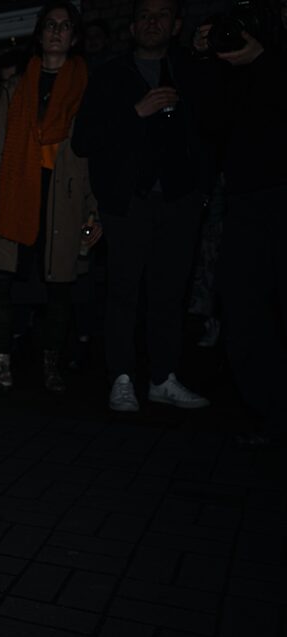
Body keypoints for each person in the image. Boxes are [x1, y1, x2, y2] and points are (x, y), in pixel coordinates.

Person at [73, 0, 213, 412]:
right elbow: (84, 140)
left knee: (169, 293)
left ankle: (162, 377)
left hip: (179, 200)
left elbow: (211, 130)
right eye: (145, 16)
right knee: (122, 293)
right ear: (132, 28)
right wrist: (137, 112)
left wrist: (200, 192)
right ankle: (121, 378)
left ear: (176, 25)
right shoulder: (110, 75)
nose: (153, 23)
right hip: (127, 203)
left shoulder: (190, 70)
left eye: (162, 16)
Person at [0, 1, 99, 394]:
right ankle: (0, 365)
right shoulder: (16, 86)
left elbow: (95, 154)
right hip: (18, 193)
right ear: (40, 35)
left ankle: (51, 365)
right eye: (50, 25)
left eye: (65, 26)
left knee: (59, 285)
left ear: (74, 37)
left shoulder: (86, 86)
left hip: (66, 198)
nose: (57, 32)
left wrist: (94, 209)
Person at [192, 3, 287, 444]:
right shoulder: (227, 73)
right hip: (244, 200)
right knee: (243, 308)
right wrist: (207, 58)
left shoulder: (274, 61)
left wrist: (263, 61)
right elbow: (209, 125)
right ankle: (272, 413)